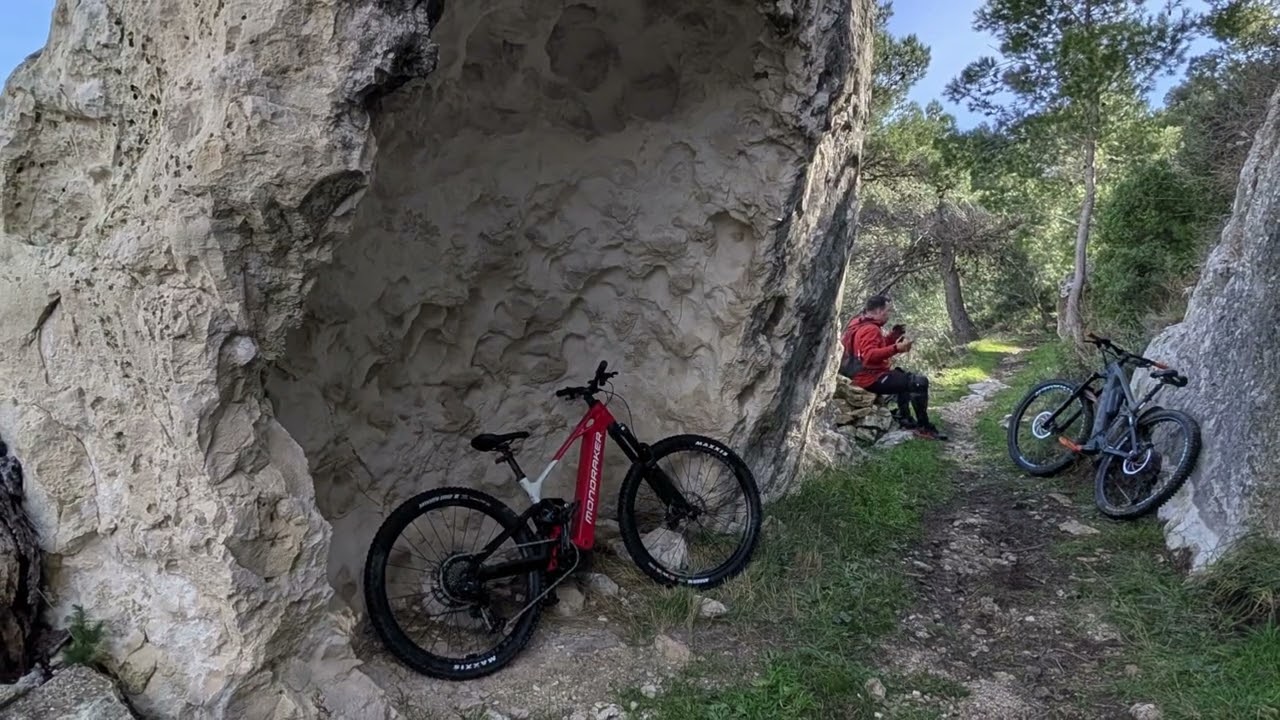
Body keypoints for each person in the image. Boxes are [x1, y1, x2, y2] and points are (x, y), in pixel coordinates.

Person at [840, 295, 947, 440]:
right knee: (918, 382)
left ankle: (905, 419)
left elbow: (869, 345)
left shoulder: (857, 324)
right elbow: (869, 355)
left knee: (902, 376)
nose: (889, 315)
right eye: (888, 311)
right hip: (870, 378)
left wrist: (891, 337)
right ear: (878, 310)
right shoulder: (871, 329)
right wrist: (896, 348)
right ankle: (924, 427)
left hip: (858, 375)